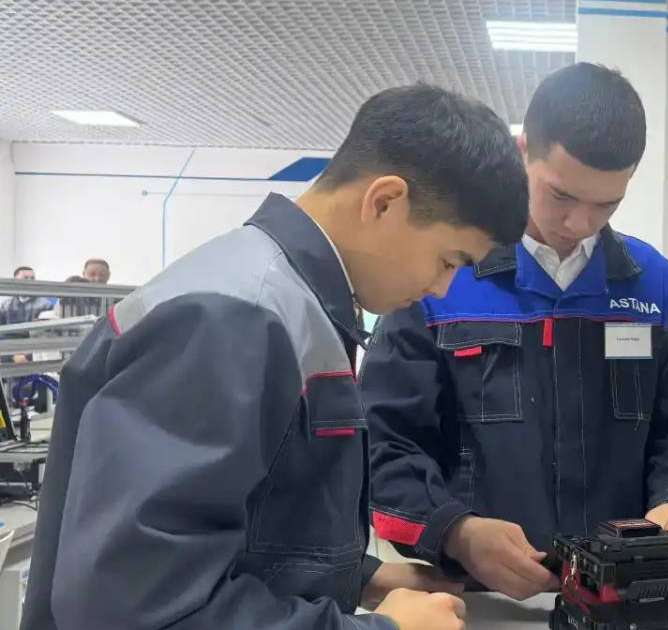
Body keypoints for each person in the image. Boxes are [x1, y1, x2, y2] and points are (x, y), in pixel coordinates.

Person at [21, 84, 529, 630]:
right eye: (449, 260)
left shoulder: (289, 304)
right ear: (384, 202)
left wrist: (361, 577)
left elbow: (244, 518)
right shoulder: (232, 319)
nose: (443, 288)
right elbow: (134, 604)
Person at [362, 62, 668, 601]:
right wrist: (455, 530)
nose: (579, 224)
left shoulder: (660, 293)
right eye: (561, 196)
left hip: (622, 601)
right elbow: (385, 441)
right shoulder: (439, 280)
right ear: (524, 149)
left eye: (606, 205)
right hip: (475, 599)